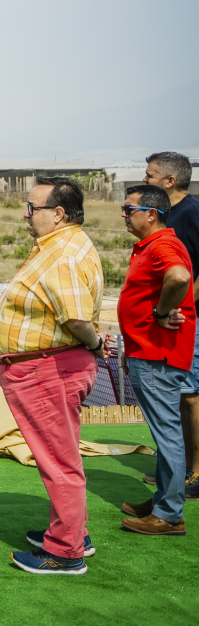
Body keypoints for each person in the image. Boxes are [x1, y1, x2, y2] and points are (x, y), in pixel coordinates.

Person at [0, 176, 111, 575]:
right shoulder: (61, 244)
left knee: (58, 462)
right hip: (49, 367)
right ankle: (73, 533)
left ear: (58, 213)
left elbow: (76, 318)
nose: (26, 215)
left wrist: (95, 343)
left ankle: (65, 552)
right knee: (63, 457)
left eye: (32, 208)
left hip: (47, 370)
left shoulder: (63, 254)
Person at [115, 183, 194, 536]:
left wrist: (161, 312)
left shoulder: (162, 245)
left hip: (156, 354)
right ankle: (165, 498)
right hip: (148, 351)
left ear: (151, 214)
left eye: (128, 209)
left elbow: (179, 276)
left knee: (166, 434)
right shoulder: (153, 244)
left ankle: (169, 514)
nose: (123, 214)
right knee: (165, 432)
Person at [143, 152, 199, 500]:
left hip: (189, 319)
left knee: (191, 396)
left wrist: (183, 304)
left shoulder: (192, 214)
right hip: (171, 317)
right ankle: (177, 467)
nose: (144, 180)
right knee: (178, 394)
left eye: (150, 175)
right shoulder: (167, 215)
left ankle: (196, 472)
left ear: (169, 181)